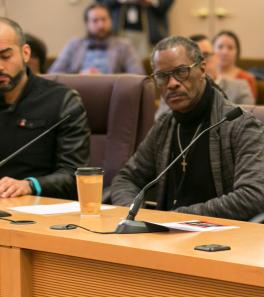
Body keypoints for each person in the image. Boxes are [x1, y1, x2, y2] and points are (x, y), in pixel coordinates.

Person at [111, 36, 264, 220]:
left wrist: (178, 217)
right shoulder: (164, 125)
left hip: (222, 238)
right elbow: (126, 179)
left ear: (202, 69)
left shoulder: (238, 124)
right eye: (162, 76)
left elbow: (255, 197)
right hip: (164, 236)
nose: (172, 83)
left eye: (181, 71)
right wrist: (135, 214)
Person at [0, 18, 90, 199]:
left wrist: (30, 185)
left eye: (5, 56)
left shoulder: (62, 100)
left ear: (25, 53)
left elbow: (75, 175)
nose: (0, 66)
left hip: (41, 208)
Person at [49, 3, 144, 75]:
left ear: (110, 21)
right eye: (95, 21)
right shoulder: (74, 44)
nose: (101, 25)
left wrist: (109, 80)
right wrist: (79, 76)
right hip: (77, 92)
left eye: (104, 19)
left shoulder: (124, 45)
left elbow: (138, 75)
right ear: (87, 24)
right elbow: (53, 73)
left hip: (113, 93)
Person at [97, 0, 174, 59]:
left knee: (150, 69)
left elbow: (166, 3)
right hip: (117, 32)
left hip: (151, 35)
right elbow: (101, 3)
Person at [212, 31, 257, 100]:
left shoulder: (247, 79)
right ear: (212, 50)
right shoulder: (204, 75)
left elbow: (250, 109)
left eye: (230, 48)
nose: (225, 52)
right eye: (220, 47)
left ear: (237, 52)